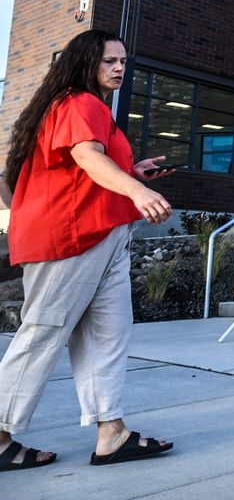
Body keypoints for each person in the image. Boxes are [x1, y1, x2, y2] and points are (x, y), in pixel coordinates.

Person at [0, 30, 175, 470]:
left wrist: (133, 172)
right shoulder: (79, 103)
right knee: (43, 332)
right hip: (71, 237)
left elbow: (90, 169)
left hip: (105, 234)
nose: (119, 67)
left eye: (122, 60)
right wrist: (136, 190)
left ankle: (111, 432)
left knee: (107, 336)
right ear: (85, 63)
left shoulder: (89, 107)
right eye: (108, 61)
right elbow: (86, 158)